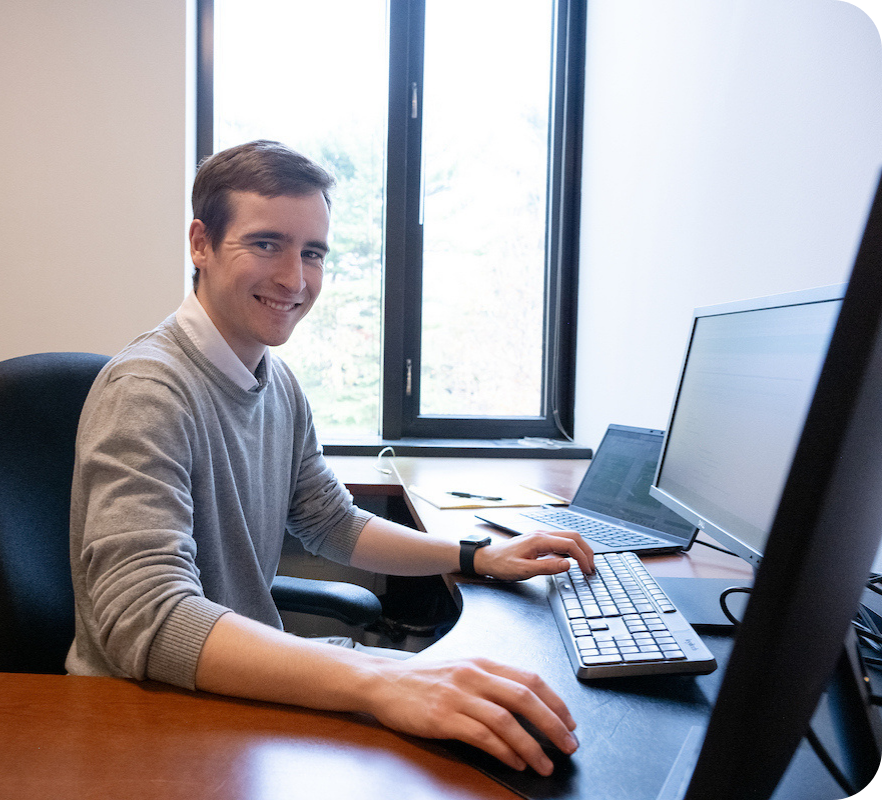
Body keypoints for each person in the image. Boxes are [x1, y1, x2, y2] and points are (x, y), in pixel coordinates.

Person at [65, 140, 596, 777]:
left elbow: (331, 523)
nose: (295, 279)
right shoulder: (149, 393)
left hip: (224, 702)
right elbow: (148, 618)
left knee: (509, 711)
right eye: (266, 244)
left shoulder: (277, 383)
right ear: (200, 244)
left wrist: (475, 557)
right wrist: (380, 680)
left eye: (312, 252)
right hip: (144, 720)